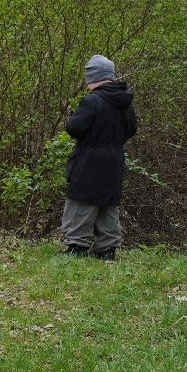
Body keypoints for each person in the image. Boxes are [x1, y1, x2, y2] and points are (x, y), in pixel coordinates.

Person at [62, 54, 137, 261]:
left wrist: (69, 121)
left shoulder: (93, 100)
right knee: (108, 202)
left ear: (93, 77)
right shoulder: (125, 101)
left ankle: (76, 246)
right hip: (115, 158)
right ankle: (107, 249)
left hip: (90, 158)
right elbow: (132, 129)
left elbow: (75, 127)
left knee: (81, 200)